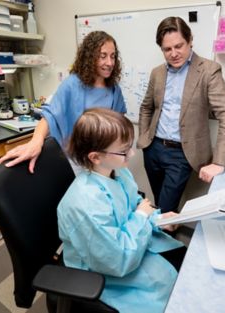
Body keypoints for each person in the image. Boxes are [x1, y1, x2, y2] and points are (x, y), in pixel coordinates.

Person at [57, 108, 185, 313]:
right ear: (95, 157)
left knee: (183, 264)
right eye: (124, 151)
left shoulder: (118, 172)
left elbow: (134, 205)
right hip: (105, 268)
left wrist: (157, 219)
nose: (132, 154)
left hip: (130, 246)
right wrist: (143, 215)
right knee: (173, 295)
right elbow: (116, 260)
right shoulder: (85, 204)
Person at [137, 17, 225, 213]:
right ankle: (164, 237)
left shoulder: (208, 71)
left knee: (165, 208)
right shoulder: (157, 73)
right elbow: (146, 107)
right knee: (160, 207)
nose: (174, 54)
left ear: (190, 40)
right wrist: (144, 139)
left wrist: (219, 162)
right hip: (153, 150)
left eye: (179, 46)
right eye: (167, 49)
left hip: (181, 154)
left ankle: (163, 235)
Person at [0, 31, 126, 173]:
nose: (109, 63)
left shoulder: (114, 89)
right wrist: (36, 142)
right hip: (77, 160)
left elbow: (119, 122)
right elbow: (50, 116)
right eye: (103, 56)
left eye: (113, 57)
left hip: (102, 159)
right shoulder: (73, 84)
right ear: (90, 57)